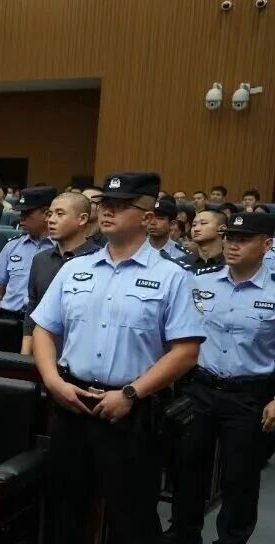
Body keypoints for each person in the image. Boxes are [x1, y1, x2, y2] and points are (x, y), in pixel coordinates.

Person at [30, 172, 204, 543]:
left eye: (121, 206)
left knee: (132, 518)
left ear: (147, 217)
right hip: (71, 402)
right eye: (105, 204)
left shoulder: (172, 276)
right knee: (64, 512)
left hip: (131, 410)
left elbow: (186, 352)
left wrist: (130, 394)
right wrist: (53, 381)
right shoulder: (75, 269)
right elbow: (44, 329)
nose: (108, 212)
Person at [161, 212, 275, 544]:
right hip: (200, 387)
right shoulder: (200, 281)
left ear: (267, 244)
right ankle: (184, 533)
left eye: (244, 240)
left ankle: (232, 539)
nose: (233, 246)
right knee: (187, 467)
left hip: (249, 395)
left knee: (240, 476)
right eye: (230, 238)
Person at [21, 192, 99, 355]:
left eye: (60, 214)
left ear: (82, 219)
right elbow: (32, 309)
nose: (51, 220)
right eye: (50, 214)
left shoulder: (99, 261)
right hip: (41, 353)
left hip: (83, 355)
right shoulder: (41, 259)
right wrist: (25, 354)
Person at [0, 186, 56, 319]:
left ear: (47, 214)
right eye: (21, 213)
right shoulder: (12, 246)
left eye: (27, 213)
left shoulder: (62, 248)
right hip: (8, 317)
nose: (21, 219)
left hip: (43, 321)